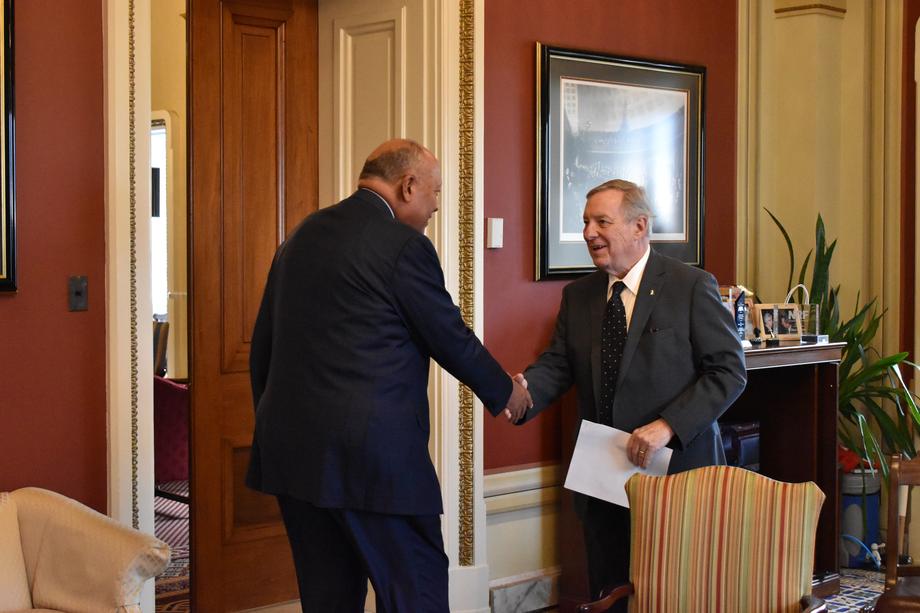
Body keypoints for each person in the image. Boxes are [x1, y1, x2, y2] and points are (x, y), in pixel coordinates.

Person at [246, 139, 532, 613]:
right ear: (408, 185)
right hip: (375, 465)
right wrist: (507, 393)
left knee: (329, 600)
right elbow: (448, 335)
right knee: (415, 592)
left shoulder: (301, 235)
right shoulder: (403, 246)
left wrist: (277, 421)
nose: (436, 205)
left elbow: (264, 348)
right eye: (434, 193)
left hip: (293, 456)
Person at [515, 179, 746, 608]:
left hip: (676, 473)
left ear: (640, 226)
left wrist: (667, 427)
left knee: (678, 596)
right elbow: (558, 365)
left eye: (602, 221)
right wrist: (523, 392)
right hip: (602, 476)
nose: (588, 233)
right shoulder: (578, 296)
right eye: (585, 222)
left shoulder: (690, 286)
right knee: (610, 592)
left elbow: (729, 372)